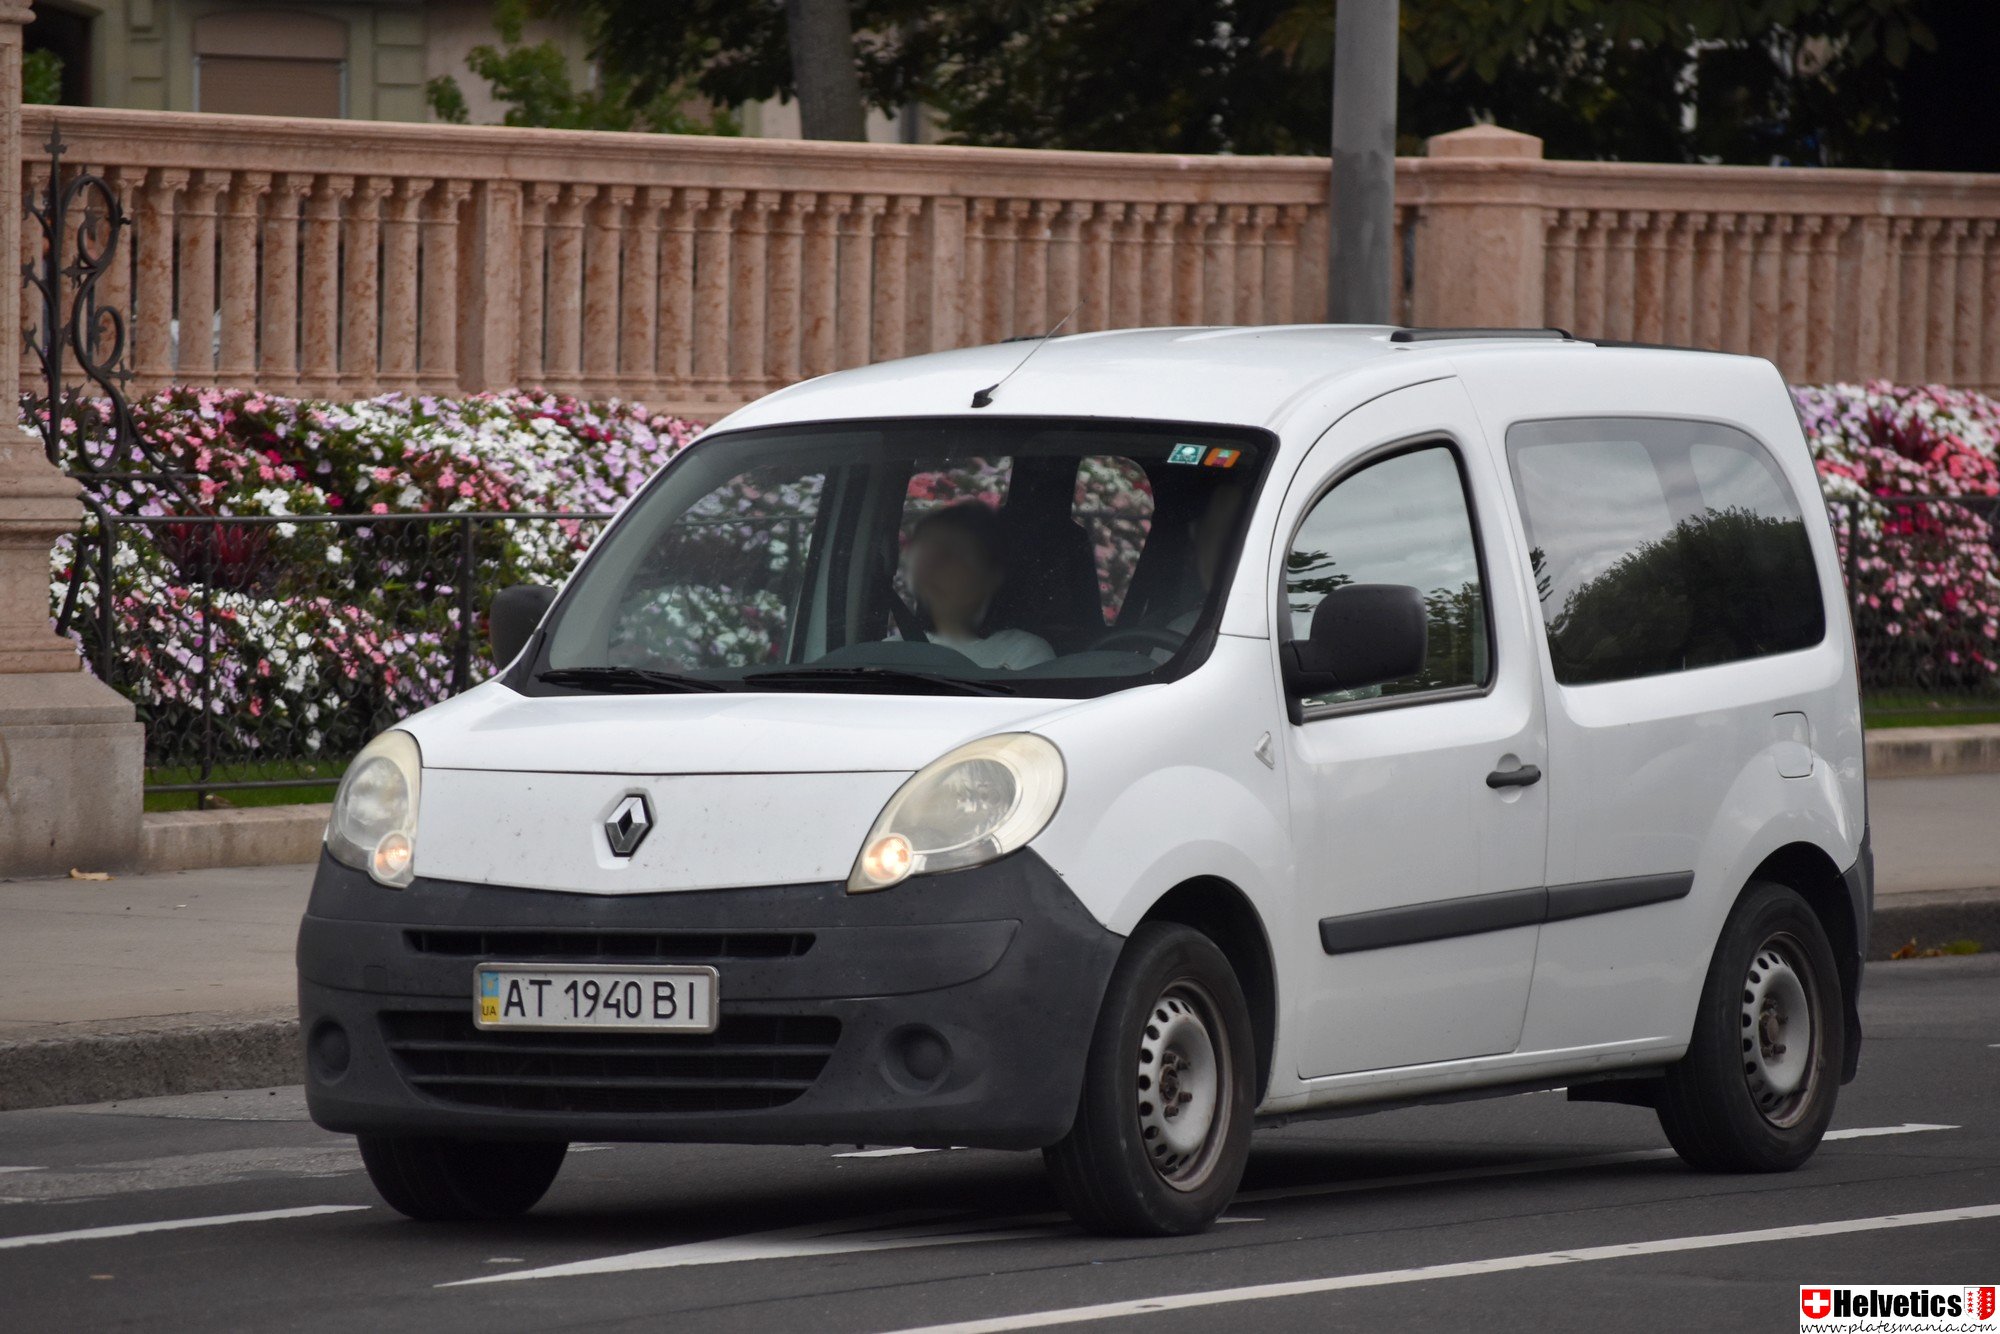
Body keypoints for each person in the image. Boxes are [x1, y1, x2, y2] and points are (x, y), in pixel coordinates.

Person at [906, 502, 1055, 669]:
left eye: (954, 556)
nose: (935, 568)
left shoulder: (1024, 654)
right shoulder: (890, 651)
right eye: (928, 555)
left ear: (992, 575)